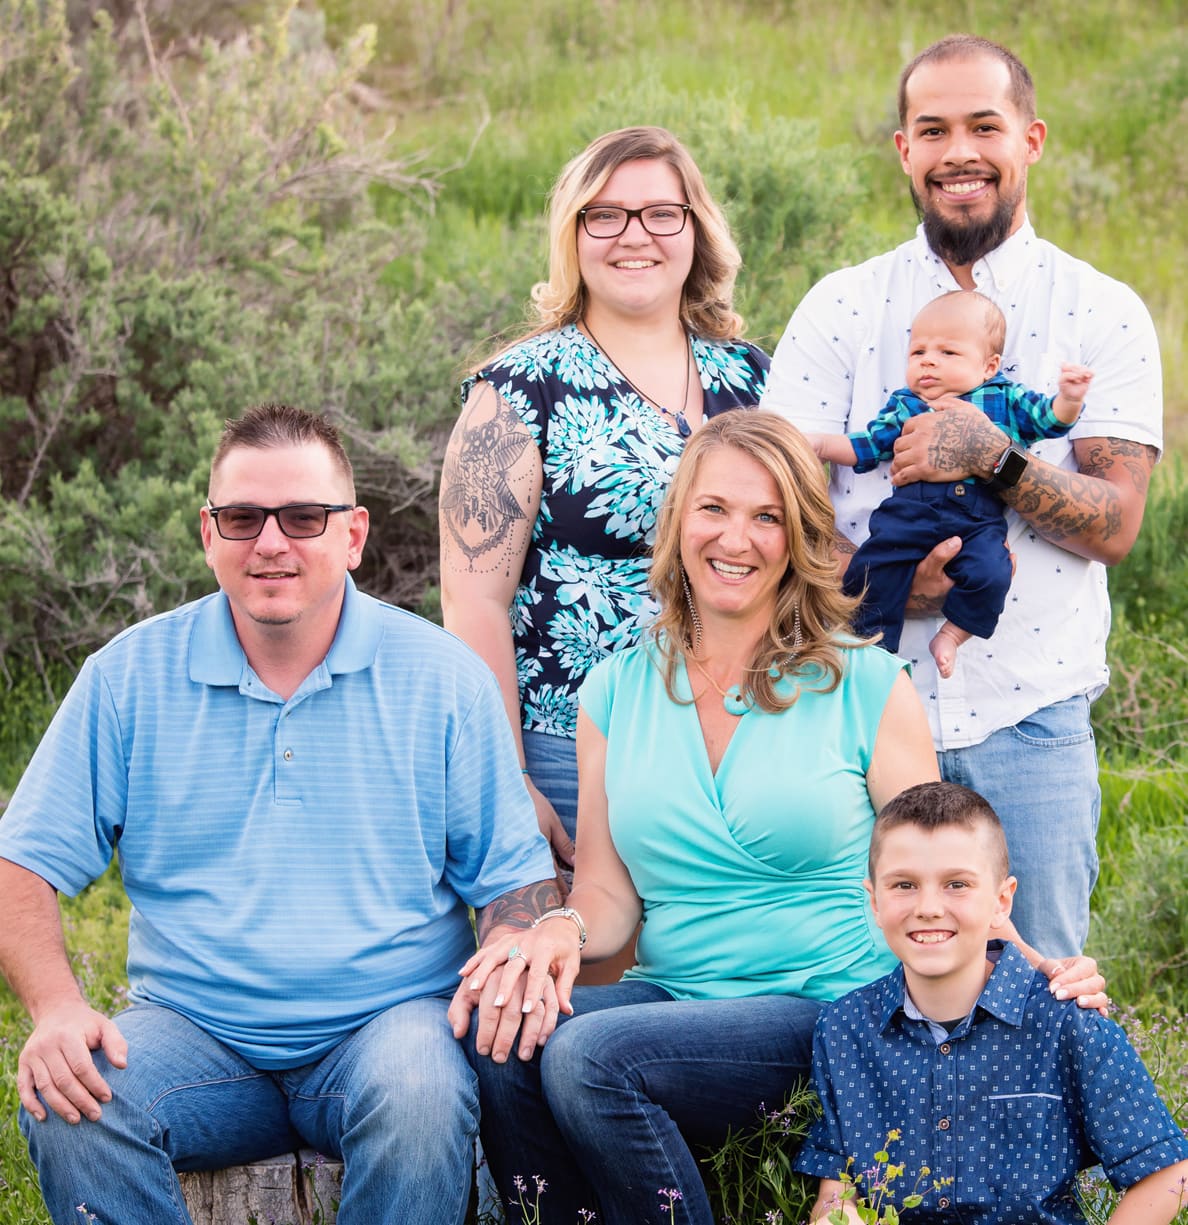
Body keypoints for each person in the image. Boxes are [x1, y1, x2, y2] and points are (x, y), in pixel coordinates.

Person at [450, 413, 1104, 1225]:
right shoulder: (613, 691)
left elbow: (942, 876)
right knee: (502, 1032)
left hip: (831, 1002)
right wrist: (561, 932)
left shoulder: (867, 683)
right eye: (714, 508)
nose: (738, 538)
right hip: (677, 995)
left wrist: (1039, 971)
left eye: (768, 517)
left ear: (798, 537)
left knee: (588, 1054)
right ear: (679, 521)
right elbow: (611, 899)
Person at [0, 404, 558, 1225]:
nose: (271, 542)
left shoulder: (444, 680)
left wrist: (514, 944)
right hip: (192, 1036)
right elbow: (24, 861)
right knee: (70, 1098)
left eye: (303, 517)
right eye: (242, 517)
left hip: (387, 1028)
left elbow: (515, 882)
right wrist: (55, 1006)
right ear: (208, 532)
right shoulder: (128, 678)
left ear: (353, 534)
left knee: (420, 1093)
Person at [761, 34, 1162, 957]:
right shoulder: (843, 308)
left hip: (1031, 718)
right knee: (856, 990)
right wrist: (888, 586)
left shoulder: (1099, 312)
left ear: (1031, 138)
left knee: (1038, 989)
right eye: (932, 129)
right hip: (853, 711)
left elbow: (1115, 523)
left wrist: (994, 458)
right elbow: (776, 505)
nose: (959, 153)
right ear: (904, 149)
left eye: (985, 125)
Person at [438, 125, 768, 889]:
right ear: (574, 235)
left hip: (741, 736)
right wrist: (507, 777)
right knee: (581, 987)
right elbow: (472, 600)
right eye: (605, 215)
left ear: (695, 230)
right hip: (572, 744)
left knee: (719, 990)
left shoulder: (751, 377)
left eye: (661, 213)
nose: (634, 236)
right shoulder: (516, 390)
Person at [798, 781, 1188, 1224]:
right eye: (904, 884)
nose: (927, 907)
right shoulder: (845, 1028)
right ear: (873, 900)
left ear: (1001, 901)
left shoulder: (1065, 1021)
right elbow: (838, 1187)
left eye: (956, 884)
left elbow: (1168, 1172)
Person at [806, 290, 1092, 678]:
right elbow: (868, 446)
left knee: (993, 573)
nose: (928, 361)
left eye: (948, 353)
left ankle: (954, 634)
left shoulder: (1004, 398)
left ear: (989, 365)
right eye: (918, 352)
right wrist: (822, 444)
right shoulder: (906, 404)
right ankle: (873, 654)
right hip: (908, 515)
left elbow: (1050, 420)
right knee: (870, 571)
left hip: (977, 520)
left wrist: (1069, 399)